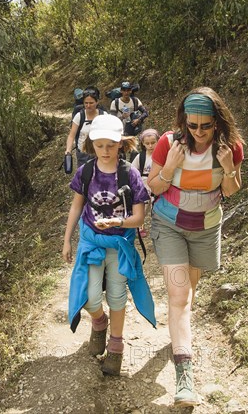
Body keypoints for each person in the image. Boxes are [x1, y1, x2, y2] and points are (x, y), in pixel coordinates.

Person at [147, 87, 245, 407]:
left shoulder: (230, 148)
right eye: (193, 125)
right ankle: (184, 379)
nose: (199, 132)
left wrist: (229, 167)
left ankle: (178, 330)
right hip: (169, 225)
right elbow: (154, 186)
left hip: (205, 229)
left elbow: (230, 190)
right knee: (180, 296)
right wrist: (170, 168)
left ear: (217, 121)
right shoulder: (168, 144)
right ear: (184, 121)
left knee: (189, 292)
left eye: (206, 125)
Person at [62, 114, 156, 376]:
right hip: (92, 243)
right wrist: (67, 239)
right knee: (90, 298)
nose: (105, 151)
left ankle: (116, 345)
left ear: (120, 144)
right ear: (92, 145)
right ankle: (99, 323)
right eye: (99, 145)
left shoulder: (130, 174)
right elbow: (76, 206)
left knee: (116, 295)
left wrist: (119, 221)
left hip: (119, 244)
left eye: (111, 145)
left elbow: (138, 217)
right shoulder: (86, 171)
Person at [65, 86, 106, 168]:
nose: (88, 105)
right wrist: (68, 150)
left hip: (100, 153)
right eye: (86, 103)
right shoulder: (79, 116)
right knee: (84, 178)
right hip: (83, 154)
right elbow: (71, 135)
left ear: (97, 102)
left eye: (91, 103)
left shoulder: (104, 116)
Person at [131, 128, 160, 237]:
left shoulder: (162, 155)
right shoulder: (141, 157)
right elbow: (132, 170)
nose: (150, 146)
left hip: (157, 185)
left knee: (157, 208)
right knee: (142, 208)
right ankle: (140, 227)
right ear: (143, 144)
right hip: (144, 186)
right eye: (147, 143)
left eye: (153, 143)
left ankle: (157, 228)